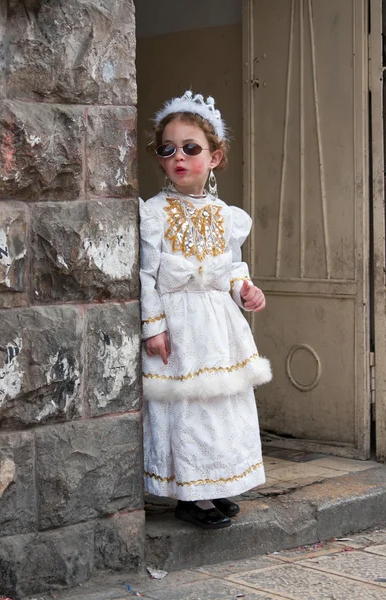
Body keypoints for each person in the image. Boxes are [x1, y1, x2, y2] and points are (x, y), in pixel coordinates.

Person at [139, 91, 272, 530]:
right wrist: (153, 326)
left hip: (219, 327)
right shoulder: (154, 214)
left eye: (191, 148)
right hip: (179, 328)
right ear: (160, 159)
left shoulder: (226, 216)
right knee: (188, 406)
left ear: (215, 157)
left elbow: (232, 268)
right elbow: (145, 275)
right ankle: (190, 495)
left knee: (223, 405)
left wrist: (245, 290)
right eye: (168, 149)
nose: (179, 157)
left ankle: (215, 485)